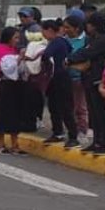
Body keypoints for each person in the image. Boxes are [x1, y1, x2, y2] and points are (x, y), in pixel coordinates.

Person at [68, 13, 105, 155]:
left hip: (100, 79)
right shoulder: (92, 39)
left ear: (94, 25)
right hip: (89, 78)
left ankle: (104, 143)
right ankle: (96, 141)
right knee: (93, 113)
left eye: (88, 24)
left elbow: (87, 53)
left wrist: (69, 59)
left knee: (101, 113)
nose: (86, 27)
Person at [32, 20, 79, 148]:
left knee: (65, 108)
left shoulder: (57, 42)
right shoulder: (62, 42)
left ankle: (73, 136)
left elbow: (46, 55)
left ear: (49, 30)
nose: (43, 34)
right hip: (56, 78)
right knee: (54, 107)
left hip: (60, 77)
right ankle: (58, 132)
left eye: (43, 31)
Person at [0, 27, 27, 155]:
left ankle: (15, 144)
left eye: (18, 38)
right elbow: (7, 69)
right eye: (15, 38)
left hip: (17, 85)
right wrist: (19, 59)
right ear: (8, 38)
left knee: (16, 114)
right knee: (3, 113)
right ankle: (0, 143)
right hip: (7, 84)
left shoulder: (15, 50)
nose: (17, 41)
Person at [63, 16, 91, 142]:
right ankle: (72, 130)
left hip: (80, 78)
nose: (65, 30)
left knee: (80, 106)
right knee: (69, 107)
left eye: (68, 27)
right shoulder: (64, 40)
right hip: (66, 78)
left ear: (77, 28)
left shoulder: (86, 40)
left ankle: (82, 130)